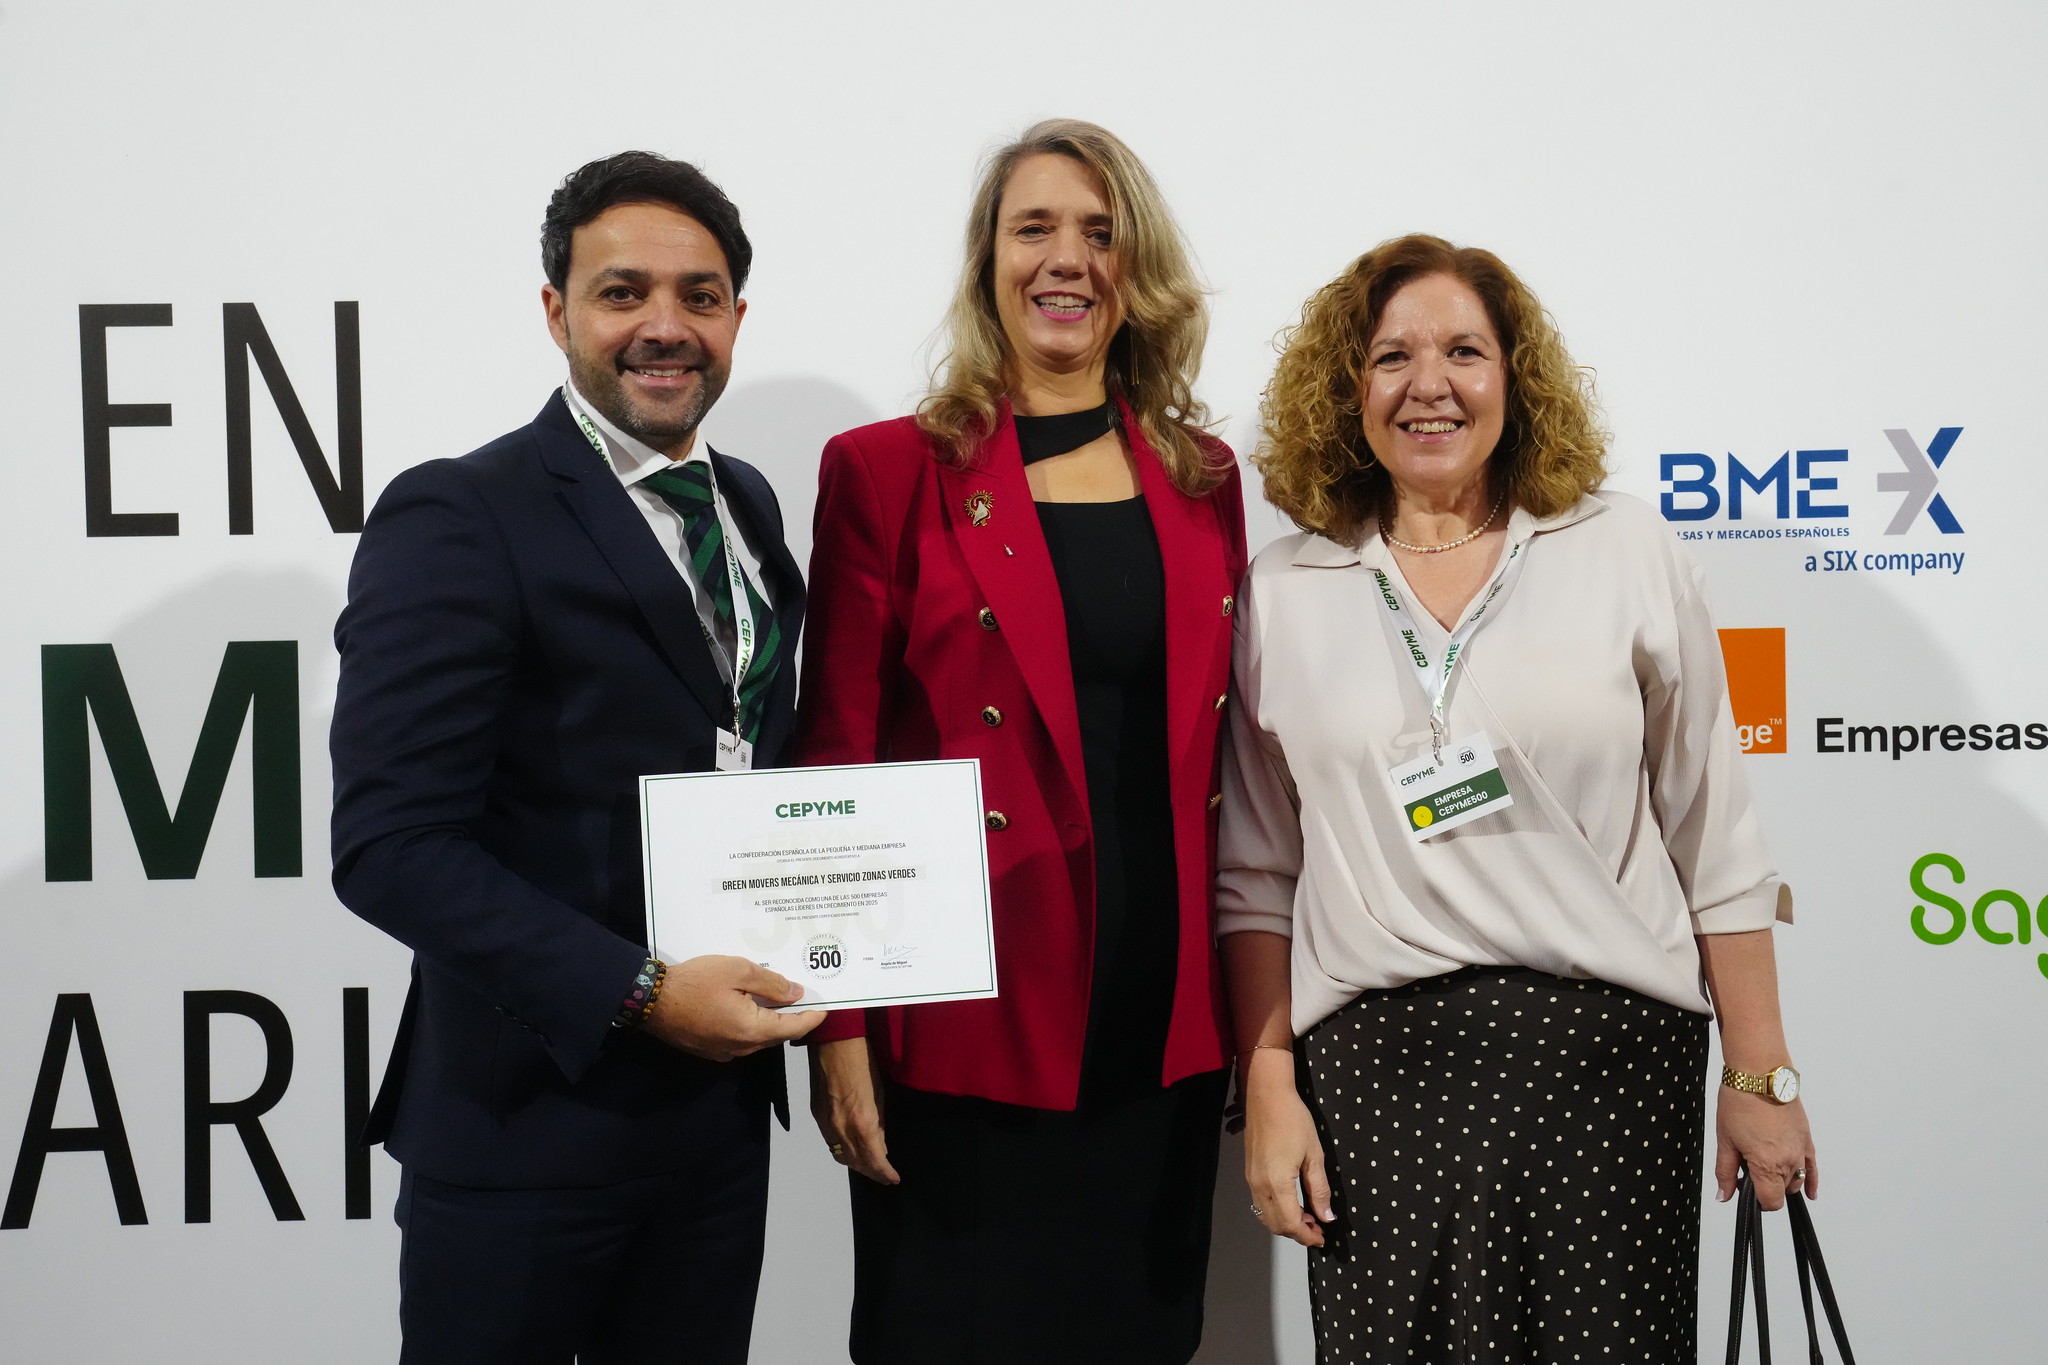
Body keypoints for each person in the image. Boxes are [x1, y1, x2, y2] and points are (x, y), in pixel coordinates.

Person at [1219, 233, 1818, 1363]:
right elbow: (1255, 873)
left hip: (1607, 1069)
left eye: (1464, 351)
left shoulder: (1621, 547)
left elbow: (1714, 833)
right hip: (1376, 1087)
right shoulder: (1285, 586)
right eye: (1390, 356)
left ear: (1514, 376)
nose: (1429, 384)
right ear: (1345, 389)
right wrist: (1269, 1083)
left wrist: (1761, 1074)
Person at [329, 151, 822, 1365]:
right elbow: (391, 846)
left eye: (699, 296)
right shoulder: (461, 512)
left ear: (736, 317)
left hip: (712, 1135)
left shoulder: (747, 504)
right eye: (621, 293)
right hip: (527, 1132)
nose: (665, 326)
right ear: (556, 313)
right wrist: (641, 993)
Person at [793, 119, 1246, 1364]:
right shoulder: (889, 471)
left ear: (1135, 268)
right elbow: (833, 757)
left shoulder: (1202, 477)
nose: (1066, 259)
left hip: (1161, 1022)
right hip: (965, 1023)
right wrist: (838, 1027)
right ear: (986, 259)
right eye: (1032, 227)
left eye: (1099, 232)